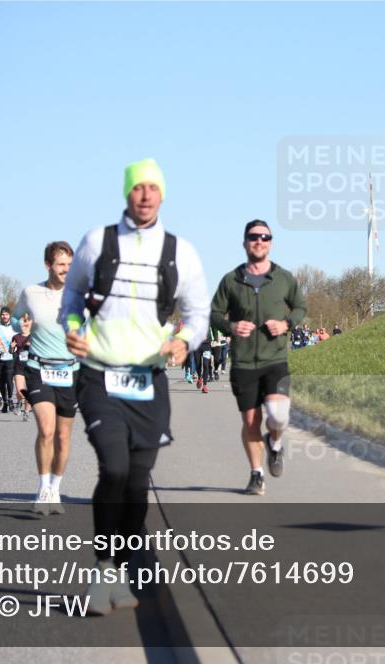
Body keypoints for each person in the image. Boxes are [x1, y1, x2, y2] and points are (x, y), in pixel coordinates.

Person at [61, 158, 209, 614]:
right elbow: (72, 295)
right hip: (100, 374)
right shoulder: (97, 242)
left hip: (149, 380)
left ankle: (121, 572)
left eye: (152, 188)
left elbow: (198, 315)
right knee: (114, 468)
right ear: (126, 193)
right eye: (137, 187)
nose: (145, 196)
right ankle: (102, 571)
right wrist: (72, 326)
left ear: (162, 194)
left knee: (138, 485)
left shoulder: (180, 252)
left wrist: (184, 341)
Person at [210, 220, 306, 495]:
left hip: (275, 359)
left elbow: (300, 307)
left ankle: (274, 443)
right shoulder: (231, 280)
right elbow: (214, 313)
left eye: (265, 237)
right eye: (254, 237)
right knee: (251, 421)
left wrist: (286, 324)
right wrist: (231, 326)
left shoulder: (283, 278)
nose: (259, 241)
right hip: (243, 362)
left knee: (278, 416)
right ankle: (257, 474)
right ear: (245, 243)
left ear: (271, 243)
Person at [13, 241, 78, 514]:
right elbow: (16, 320)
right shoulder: (31, 293)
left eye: (70, 265)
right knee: (47, 430)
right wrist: (22, 325)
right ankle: (42, 489)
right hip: (38, 369)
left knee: (63, 436)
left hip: (70, 372)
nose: (67, 270)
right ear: (48, 265)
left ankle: (55, 488)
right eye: (61, 264)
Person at [10, 313, 33, 419]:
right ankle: (19, 403)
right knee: (20, 391)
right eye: (23, 321)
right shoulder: (16, 337)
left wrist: (32, 346)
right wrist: (11, 347)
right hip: (19, 366)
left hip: (32, 367)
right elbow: (11, 351)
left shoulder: (35, 337)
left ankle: (26, 412)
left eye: (26, 321)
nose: (24, 323)